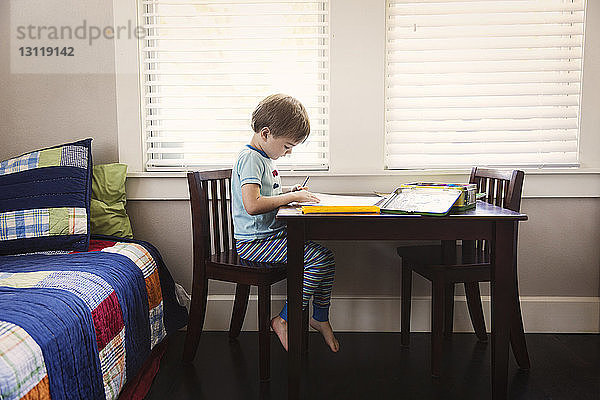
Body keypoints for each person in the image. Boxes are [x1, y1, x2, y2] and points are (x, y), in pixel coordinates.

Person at [231, 94, 339, 352]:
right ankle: (283, 320)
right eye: (288, 146)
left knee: (327, 258)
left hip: (269, 238)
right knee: (320, 259)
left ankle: (320, 317)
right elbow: (253, 204)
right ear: (266, 134)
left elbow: (266, 194)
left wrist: (290, 190)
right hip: (255, 243)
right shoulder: (250, 159)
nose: (288, 153)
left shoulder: (264, 159)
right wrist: (292, 196)